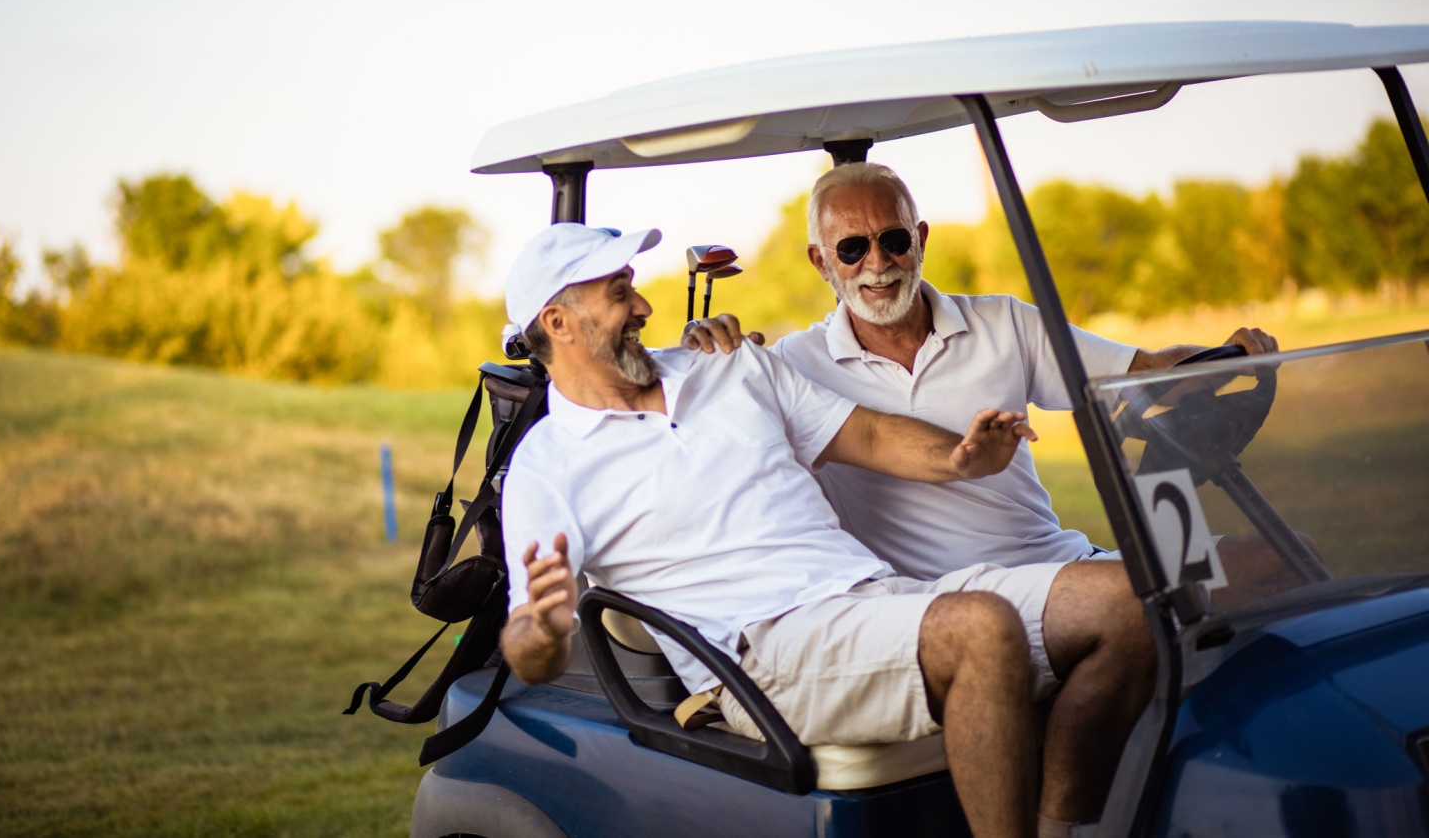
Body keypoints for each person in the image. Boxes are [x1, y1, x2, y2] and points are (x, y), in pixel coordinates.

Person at [499, 222, 1156, 838]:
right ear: (559, 322)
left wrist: (960, 457)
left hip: (873, 596)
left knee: (1130, 600)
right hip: (755, 653)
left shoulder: (725, 365)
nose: (642, 306)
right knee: (981, 627)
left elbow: (865, 431)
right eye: (619, 295)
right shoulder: (547, 463)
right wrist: (548, 626)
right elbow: (530, 646)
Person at [687, 161, 1279, 582]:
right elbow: (703, 437)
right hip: (940, 601)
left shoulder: (1003, 322)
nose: (878, 263)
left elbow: (1140, 372)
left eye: (893, 240)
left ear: (920, 241)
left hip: (1057, 563)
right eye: (851, 249)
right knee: (1150, 607)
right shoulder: (795, 366)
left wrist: (1226, 357)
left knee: (1278, 561)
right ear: (821, 261)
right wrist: (706, 351)